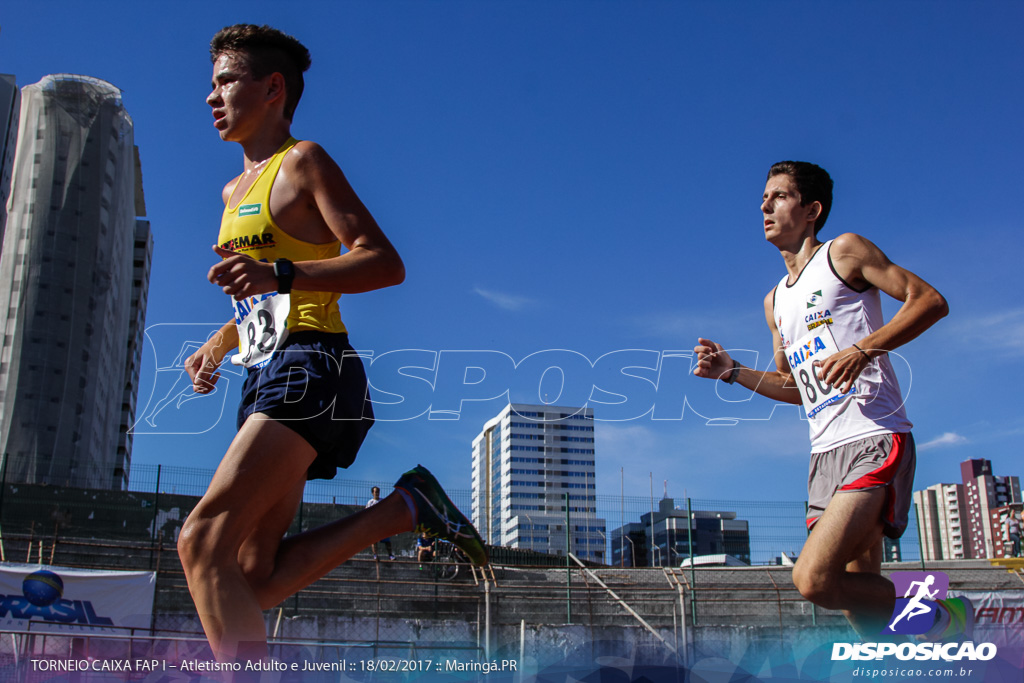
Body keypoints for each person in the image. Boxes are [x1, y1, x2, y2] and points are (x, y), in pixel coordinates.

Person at [178, 24, 487, 666]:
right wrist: (220, 341)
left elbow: (383, 262)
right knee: (254, 576)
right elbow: (265, 297)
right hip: (263, 374)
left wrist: (281, 274)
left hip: (312, 366)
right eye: (210, 85)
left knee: (202, 542)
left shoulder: (303, 161)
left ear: (272, 88)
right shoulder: (232, 192)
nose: (211, 98)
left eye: (226, 82)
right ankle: (405, 507)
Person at [693, 161, 958, 640]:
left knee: (812, 579)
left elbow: (928, 301)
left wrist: (863, 349)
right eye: (764, 197)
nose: (764, 205)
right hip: (823, 456)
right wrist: (731, 372)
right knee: (859, 604)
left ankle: (942, 612)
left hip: (873, 436)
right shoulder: (775, 301)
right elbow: (794, 387)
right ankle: (911, 657)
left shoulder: (845, 252)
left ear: (812, 210)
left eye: (778, 196)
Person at [366, 486, 395, 560]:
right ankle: (375, 555)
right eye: (375, 492)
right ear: (372, 493)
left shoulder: (383, 501)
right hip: (374, 525)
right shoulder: (370, 502)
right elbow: (366, 513)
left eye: (378, 492)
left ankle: (390, 555)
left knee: (387, 541)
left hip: (382, 525)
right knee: (374, 541)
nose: (377, 493)